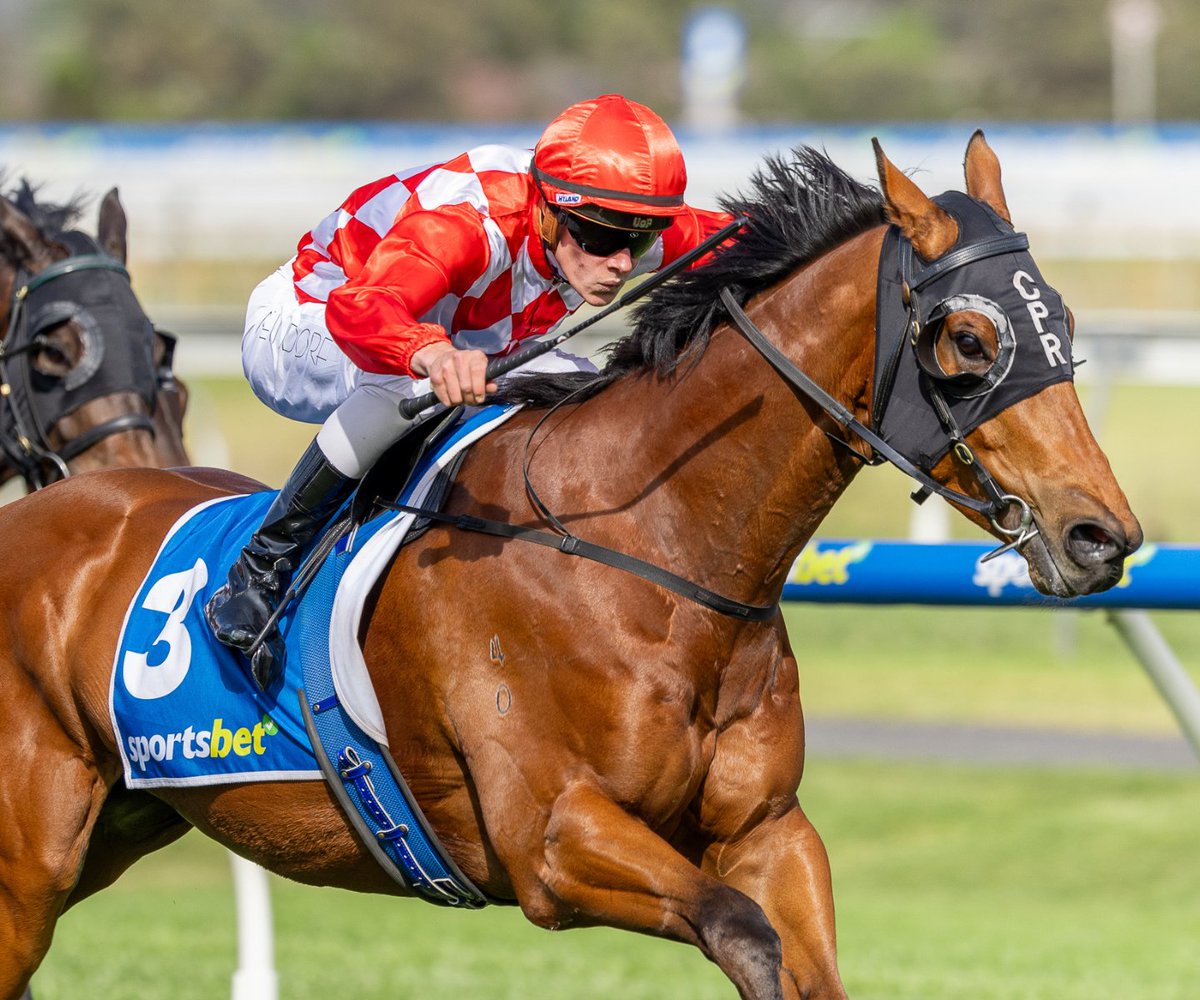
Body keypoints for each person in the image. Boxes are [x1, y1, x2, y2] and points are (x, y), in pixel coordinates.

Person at [205, 93, 734, 689]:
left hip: (449, 332)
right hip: (313, 315)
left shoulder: (608, 224)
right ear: (552, 209)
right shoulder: (466, 222)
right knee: (407, 380)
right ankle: (263, 565)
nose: (619, 264)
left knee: (593, 391)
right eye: (604, 238)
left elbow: (747, 237)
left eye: (637, 243)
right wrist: (429, 352)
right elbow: (364, 308)